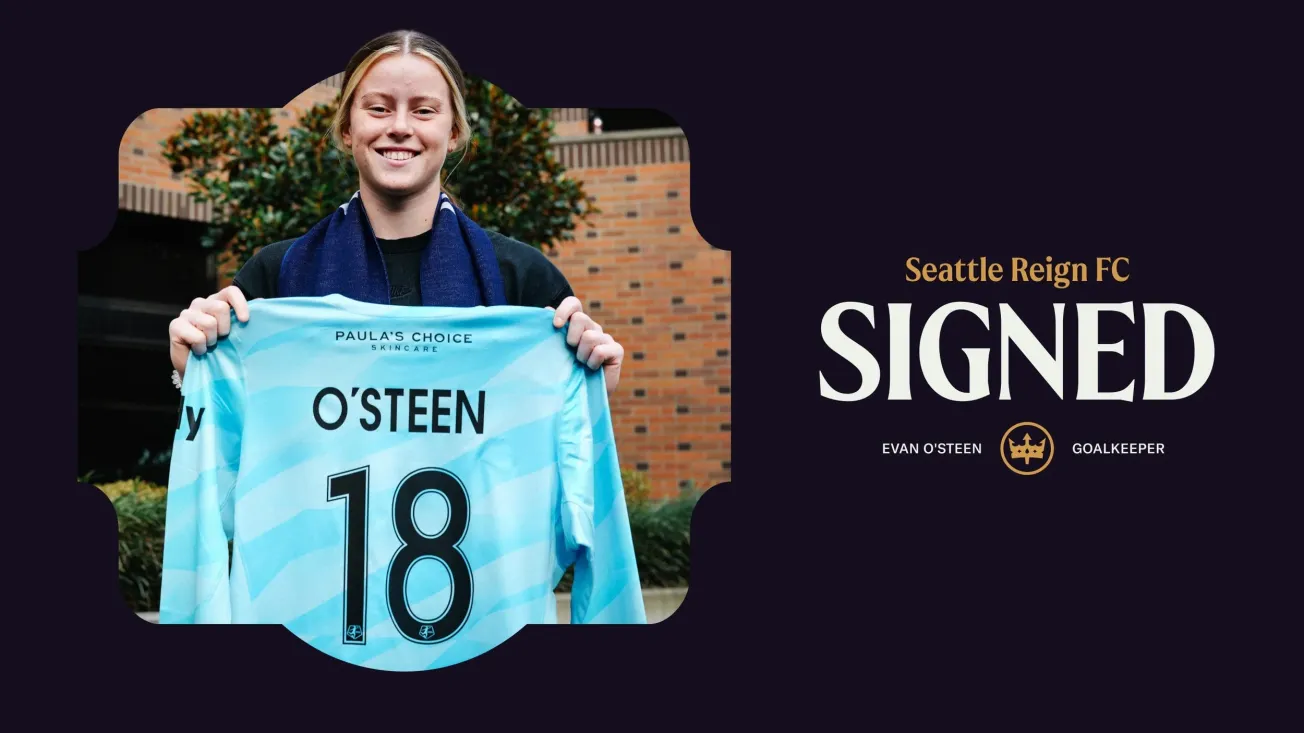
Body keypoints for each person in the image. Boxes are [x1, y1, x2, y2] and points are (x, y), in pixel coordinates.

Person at [167, 29, 624, 391]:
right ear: (348, 129)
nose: (400, 127)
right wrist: (196, 367)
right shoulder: (273, 278)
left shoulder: (522, 279)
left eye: (424, 111)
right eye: (379, 108)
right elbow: (234, 431)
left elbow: (554, 443)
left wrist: (592, 383)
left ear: (454, 133)